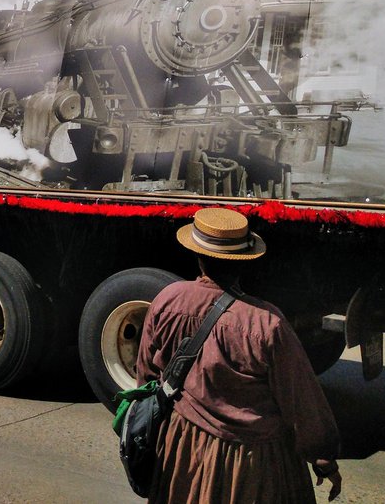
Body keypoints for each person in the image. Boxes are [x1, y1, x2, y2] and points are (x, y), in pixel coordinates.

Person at [135, 208, 342, 504]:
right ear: (244, 263)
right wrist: (323, 458)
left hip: (182, 450)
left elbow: (146, 376)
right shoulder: (266, 323)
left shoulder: (166, 300)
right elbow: (301, 399)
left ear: (198, 256)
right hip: (250, 464)